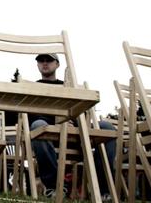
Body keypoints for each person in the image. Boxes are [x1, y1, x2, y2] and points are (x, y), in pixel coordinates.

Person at [30, 53, 116, 200]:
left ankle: (102, 189)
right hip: (48, 135)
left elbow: (82, 112)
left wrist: (73, 121)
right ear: (37, 65)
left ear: (57, 64)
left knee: (107, 127)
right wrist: (57, 121)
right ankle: (54, 186)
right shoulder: (32, 87)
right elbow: (29, 115)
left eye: (49, 60)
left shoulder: (69, 86)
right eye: (41, 60)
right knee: (38, 125)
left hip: (75, 133)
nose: (45, 63)